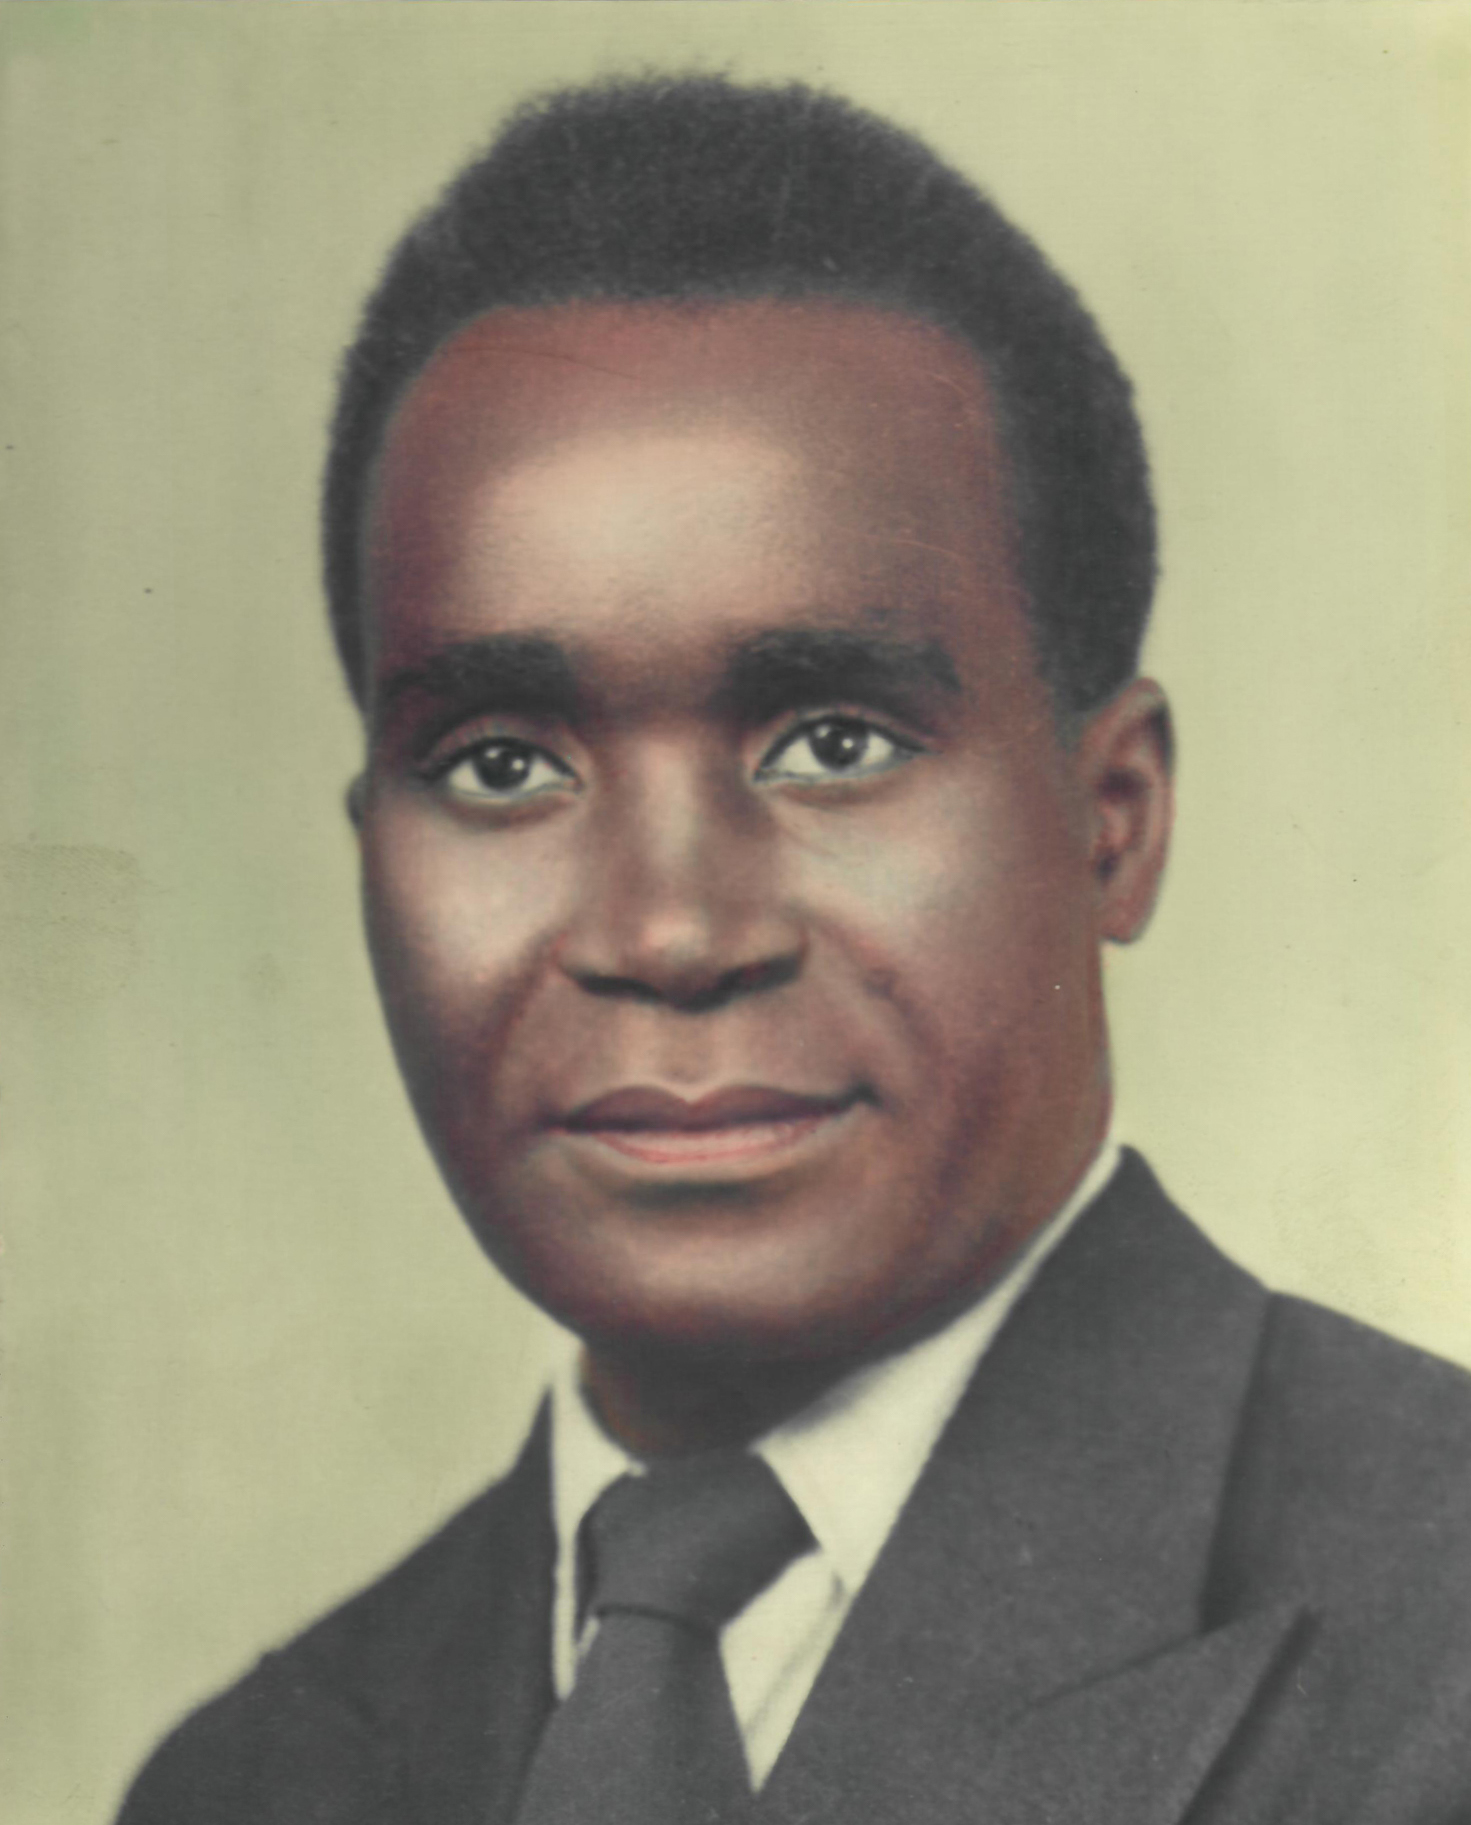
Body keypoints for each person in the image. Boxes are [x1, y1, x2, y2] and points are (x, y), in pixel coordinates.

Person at [117, 75, 1471, 1825]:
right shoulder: (247, 1782)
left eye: (834, 740)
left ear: (1113, 817)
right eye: (504, 765)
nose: (671, 931)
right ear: (372, 850)